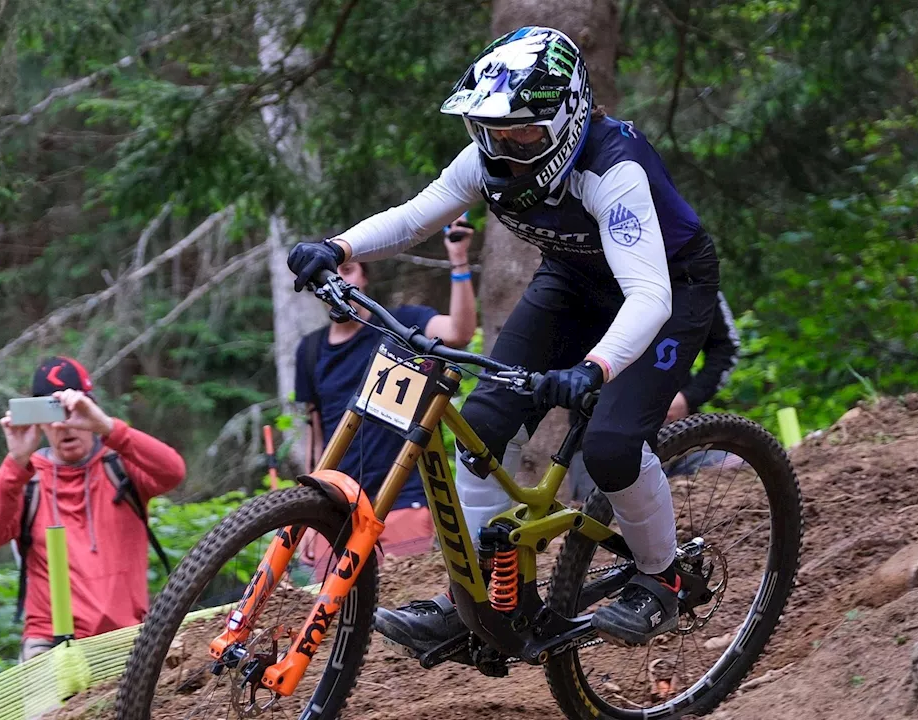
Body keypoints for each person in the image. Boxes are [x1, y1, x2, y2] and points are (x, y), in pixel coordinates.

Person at [287, 26, 722, 651]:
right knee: (481, 429)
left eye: (522, 133)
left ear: (567, 118)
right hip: (573, 280)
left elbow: (649, 296)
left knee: (612, 448)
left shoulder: (612, 170)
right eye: (492, 132)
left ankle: (666, 577)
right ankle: (485, 603)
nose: (506, 148)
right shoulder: (485, 162)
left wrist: (595, 368)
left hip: (669, 289)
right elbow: (416, 216)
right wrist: (339, 246)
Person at [0, 356, 186, 663]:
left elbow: (173, 472)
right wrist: (15, 462)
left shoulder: (120, 466)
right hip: (50, 646)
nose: (63, 425)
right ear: (37, 420)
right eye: (51, 414)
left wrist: (109, 428)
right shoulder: (25, 480)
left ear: (90, 408)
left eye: (72, 411)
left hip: (128, 638)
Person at [294, 216, 477, 569]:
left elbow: (459, 332)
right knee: (335, 613)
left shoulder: (402, 325)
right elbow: (315, 438)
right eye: (328, 276)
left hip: (405, 499)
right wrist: (307, 512)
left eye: (347, 270)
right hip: (338, 504)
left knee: (404, 605)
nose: (338, 280)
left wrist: (459, 258)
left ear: (363, 276)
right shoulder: (310, 350)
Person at [565, 291, 740, 500]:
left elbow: (726, 347)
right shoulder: (585, 273)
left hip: (680, 439)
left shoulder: (692, 270)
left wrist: (688, 397)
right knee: (603, 514)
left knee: (742, 470)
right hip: (595, 443)